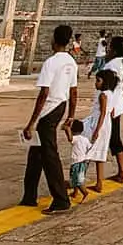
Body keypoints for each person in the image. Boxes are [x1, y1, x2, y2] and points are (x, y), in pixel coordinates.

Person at [21, 24, 79, 214]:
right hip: (61, 106)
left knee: (49, 155)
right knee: (36, 153)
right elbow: (73, 91)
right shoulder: (71, 62)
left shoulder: (51, 62)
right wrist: (70, 114)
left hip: (49, 109)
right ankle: (29, 195)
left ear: (55, 39)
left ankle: (61, 199)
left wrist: (31, 123)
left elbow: (44, 93)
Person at [76, 68, 115, 195]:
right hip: (106, 125)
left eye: (98, 80)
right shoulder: (111, 94)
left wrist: (96, 130)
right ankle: (99, 182)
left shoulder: (103, 95)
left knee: (86, 153)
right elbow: (111, 112)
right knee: (100, 154)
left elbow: (102, 113)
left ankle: (79, 183)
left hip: (98, 124)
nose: (96, 83)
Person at [104, 35, 123, 183]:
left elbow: (110, 87)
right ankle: (122, 172)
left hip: (110, 106)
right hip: (116, 105)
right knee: (114, 138)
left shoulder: (112, 64)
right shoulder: (122, 63)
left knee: (97, 138)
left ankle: (78, 179)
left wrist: (109, 107)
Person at [67, 120, 94, 204]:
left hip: (77, 162)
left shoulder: (76, 138)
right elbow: (90, 147)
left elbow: (70, 138)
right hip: (82, 162)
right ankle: (75, 192)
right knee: (75, 178)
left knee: (77, 180)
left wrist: (66, 129)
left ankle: (85, 193)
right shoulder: (85, 139)